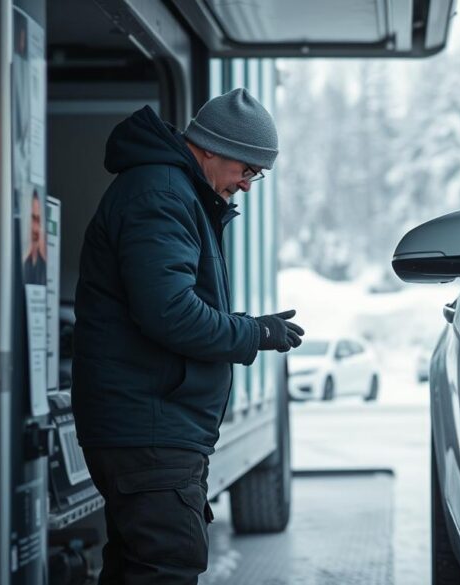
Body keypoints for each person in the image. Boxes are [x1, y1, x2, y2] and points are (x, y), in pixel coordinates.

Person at [72, 88, 304, 584]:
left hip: (149, 425)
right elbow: (169, 313)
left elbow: (170, 303)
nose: (246, 185)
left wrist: (248, 325)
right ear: (213, 148)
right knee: (165, 569)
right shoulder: (161, 194)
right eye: (247, 169)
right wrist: (252, 333)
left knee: (138, 568)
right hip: (149, 428)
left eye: (255, 175)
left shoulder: (173, 192)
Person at [22, 190, 46, 285]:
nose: (36, 228)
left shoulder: (44, 268)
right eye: (33, 219)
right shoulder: (21, 266)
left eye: (38, 220)